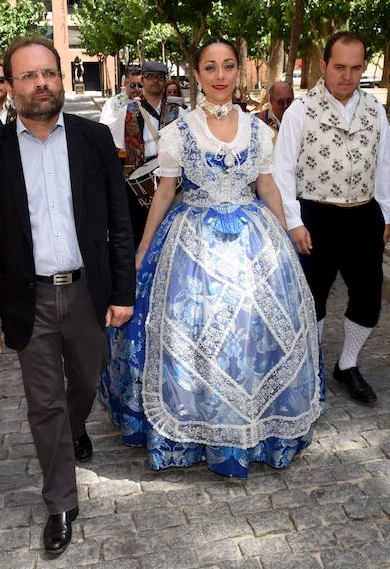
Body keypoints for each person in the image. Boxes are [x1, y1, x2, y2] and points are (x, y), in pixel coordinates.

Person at [101, 37, 323, 479]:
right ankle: (195, 430)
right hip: (191, 241)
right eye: (210, 67)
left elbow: (268, 186)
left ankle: (255, 428)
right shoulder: (178, 131)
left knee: (251, 330)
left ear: (238, 71)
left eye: (227, 66)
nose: (219, 76)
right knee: (190, 333)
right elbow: (165, 191)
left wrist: (283, 237)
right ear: (197, 74)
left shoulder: (260, 130)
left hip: (252, 242)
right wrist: (143, 250)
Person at [0, 37, 135, 556]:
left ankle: (77, 423)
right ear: (11, 87)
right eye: (28, 76)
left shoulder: (93, 139)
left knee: (86, 379)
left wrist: (123, 291)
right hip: (30, 300)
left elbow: (118, 224)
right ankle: (61, 500)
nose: (41, 83)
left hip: (87, 292)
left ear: (61, 79)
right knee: (44, 404)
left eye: (49, 73)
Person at [274, 31, 390, 406]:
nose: (347, 75)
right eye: (339, 66)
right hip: (315, 215)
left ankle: (347, 365)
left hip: (363, 214)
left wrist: (386, 212)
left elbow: (386, 163)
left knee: (368, 294)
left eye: (355, 68)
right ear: (324, 65)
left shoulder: (375, 110)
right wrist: (294, 222)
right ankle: (311, 365)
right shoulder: (300, 109)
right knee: (312, 296)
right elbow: (282, 171)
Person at [102, 60, 188, 245]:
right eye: (150, 77)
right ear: (143, 80)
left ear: (165, 81)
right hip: (138, 186)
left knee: (171, 234)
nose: (155, 81)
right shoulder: (128, 110)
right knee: (138, 233)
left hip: (172, 182)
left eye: (159, 77)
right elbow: (117, 146)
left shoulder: (179, 112)